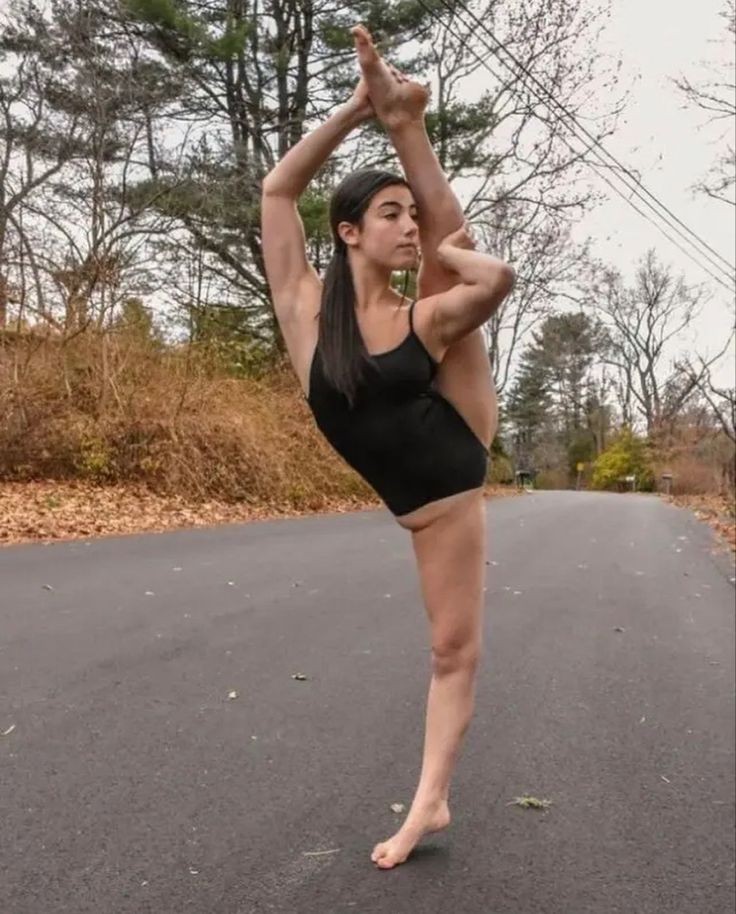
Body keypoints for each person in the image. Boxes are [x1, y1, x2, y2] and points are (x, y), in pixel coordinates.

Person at [260, 24, 515, 869]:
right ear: (347, 232)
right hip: (413, 491)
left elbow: (470, 259)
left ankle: (428, 800)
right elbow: (277, 190)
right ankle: (400, 117)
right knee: (448, 259)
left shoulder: (422, 313)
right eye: (391, 214)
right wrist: (354, 109)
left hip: (451, 469)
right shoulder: (304, 310)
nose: (409, 227)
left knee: (451, 650)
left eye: (412, 213)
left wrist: (405, 132)